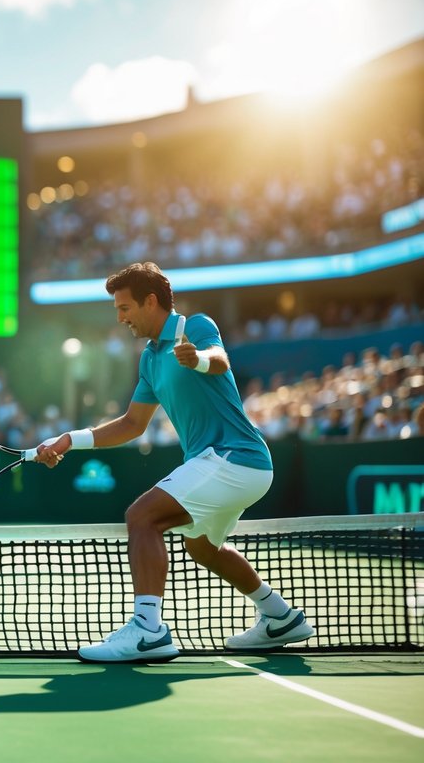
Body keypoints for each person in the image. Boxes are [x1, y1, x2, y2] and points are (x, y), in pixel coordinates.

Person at [35, 263, 312, 663]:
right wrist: (70, 441)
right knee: (201, 547)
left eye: (125, 307)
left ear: (151, 302)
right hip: (225, 464)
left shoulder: (194, 327)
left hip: (236, 457)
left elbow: (219, 360)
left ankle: (148, 630)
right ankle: (280, 616)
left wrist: (196, 359)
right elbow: (133, 424)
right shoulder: (149, 358)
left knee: (142, 517)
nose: (120, 318)